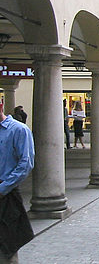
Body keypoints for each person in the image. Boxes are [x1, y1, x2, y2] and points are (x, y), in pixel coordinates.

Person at [0, 102, 35, 263]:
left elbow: (25, 164)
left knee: (7, 245)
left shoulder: (18, 130)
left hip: (6, 193)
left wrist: (3, 188)